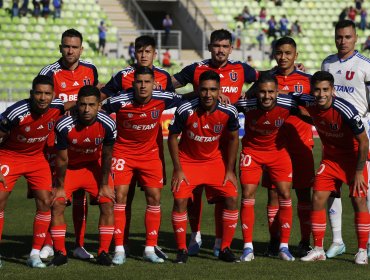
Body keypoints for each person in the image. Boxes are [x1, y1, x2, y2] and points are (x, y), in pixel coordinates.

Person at [171, 29, 259, 257]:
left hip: (223, 143)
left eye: (225, 46)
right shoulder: (196, 69)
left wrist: (246, 99)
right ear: (210, 47)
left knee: (225, 195)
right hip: (197, 143)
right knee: (193, 195)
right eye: (216, 46)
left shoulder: (241, 69)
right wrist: (198, 96)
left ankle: (221, 241)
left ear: (231, 48)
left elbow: (265, 80)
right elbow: (170, 85)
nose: (220, 50)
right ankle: (195, 234)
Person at [101, 35, 174, 264]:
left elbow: (175, 100)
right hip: (123, 150)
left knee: (154, 196)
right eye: (139, 51)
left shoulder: (163, 78)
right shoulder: (122, 77)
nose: (143, 55)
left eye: (148, 51)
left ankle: (150, 247)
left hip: (152, 149)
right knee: (123, 197)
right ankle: (120, 246)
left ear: (154, 53)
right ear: (135, 53)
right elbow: (100, 99)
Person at [39, 28, 100, 260]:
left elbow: (93, 101)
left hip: (82, 140)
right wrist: (73, 104)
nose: (70, 50)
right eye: (66, 46)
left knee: (80, 196)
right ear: (60, 47)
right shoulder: (49, 72)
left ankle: (79, 244)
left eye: (74, 47)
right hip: (55, 141)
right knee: (53, 194)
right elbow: (42, 105)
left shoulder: (90, 70)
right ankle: (47, 242)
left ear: (81, 49)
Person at [251, 37, 314, 258]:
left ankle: (305, 241)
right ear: (274, 54)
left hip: (301, 145)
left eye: (288, 53)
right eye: (279, 53)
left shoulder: (307, 80)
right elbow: (248, 101)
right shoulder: (266, 80)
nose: (283, 57)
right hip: (274, 149)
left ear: (295, 55)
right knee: (273, 195)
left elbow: (316, 109)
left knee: (304, 195)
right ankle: (275, 240)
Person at [169, 70, 240, 263]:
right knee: (180, 201)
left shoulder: (228, 111)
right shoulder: (185, 110)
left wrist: (230, 170)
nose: (208, 94)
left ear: (220, 91)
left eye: (212, 90)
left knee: (232, 198)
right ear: (197, 90)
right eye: (204, 90)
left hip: (214, 162)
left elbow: (234, 139)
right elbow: (173, 138)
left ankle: (225, 248)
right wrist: (178, 169)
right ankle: (182, 250)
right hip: (188, 162)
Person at [299, 71, 369, 265]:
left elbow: (364, 142)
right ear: (311, 90)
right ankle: (319, 249)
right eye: (317, 90)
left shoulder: (346, 110)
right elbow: (287, 97)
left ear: (332, 90)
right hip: (330, 159)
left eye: (325, 90)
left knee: (359, 200)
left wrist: (358, 172)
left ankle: (362, 250)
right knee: (318, 197)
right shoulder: (308, 101)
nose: (321, 94)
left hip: (352, 160)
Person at [0, 75, 64, 268]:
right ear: (31, 94)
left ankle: (35, 253)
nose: (43, 98)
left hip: (37, 158)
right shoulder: (16, 112)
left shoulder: (58, 107)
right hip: (9, 156)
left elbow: (78, 104)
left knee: (46, 201)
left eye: (47, 94)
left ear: (53, 95)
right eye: (38, 93)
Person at [49, 85, 116, 266]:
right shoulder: (63, 125)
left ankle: (103, 251)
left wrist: (104, 185)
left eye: (92, 105)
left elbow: (107, 155)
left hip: (93, 167)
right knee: (57, 203)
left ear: (99, 105)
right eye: (83, 104)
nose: (87, 109)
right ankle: (60, 252)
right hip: (70, 169)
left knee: (108, 202)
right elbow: (62, 160)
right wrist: (60, 187)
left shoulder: (108, 123)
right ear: (77, 104)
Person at [236, 73, 300, 262]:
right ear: (256, 92)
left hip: (277, 154)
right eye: (262, 92)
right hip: (252, 153)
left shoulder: (288, 104)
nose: (267, 96)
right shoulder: (246, 105)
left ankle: (284, 247)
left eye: (271, 92)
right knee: (247, 193)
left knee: (285, 195)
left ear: (277, 92)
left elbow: (311, 103)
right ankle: (248, 247)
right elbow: (224, 109)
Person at [321, 20, 370, 259]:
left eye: (347, 37)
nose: (343, 41)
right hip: (333, 135)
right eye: (339, 37)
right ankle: (338, 240)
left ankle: (367, 242)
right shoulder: (327, 63)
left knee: (364, 190)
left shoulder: (365, 66)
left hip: (360, 133)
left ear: (356, 38)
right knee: (332, 190)